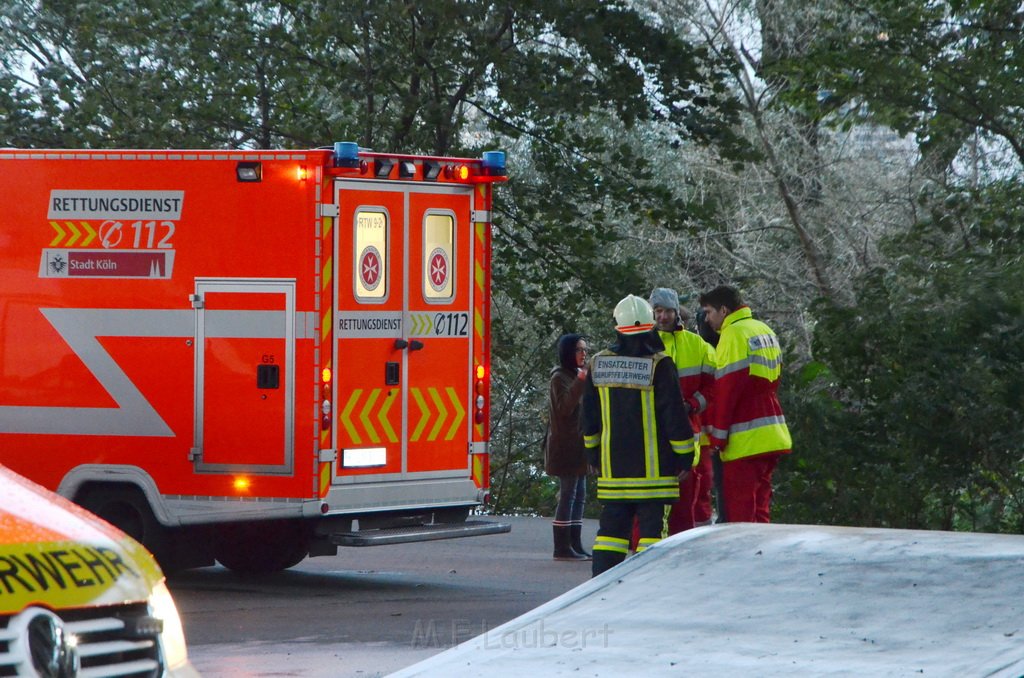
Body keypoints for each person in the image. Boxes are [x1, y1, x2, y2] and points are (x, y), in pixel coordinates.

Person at [581, 295, 694, 577]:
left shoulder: (598, 363)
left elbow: (589, 418)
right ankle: (647, 585)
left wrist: (593, 454)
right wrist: (684, 457)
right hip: (653, 473)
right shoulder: (660, 364)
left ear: (617, 328)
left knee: (611, 533)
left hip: (613, 470)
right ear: (650, 327)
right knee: (651, 534)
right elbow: (674, 417)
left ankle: (601, 585)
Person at [698, 285, 791, 523]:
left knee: (740, 517)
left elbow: (727, 391)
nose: (707, 319)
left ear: (724, 310)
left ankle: (744, 562)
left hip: (744, 442)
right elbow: (775, 379)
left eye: (709, 312)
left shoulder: (733, 335)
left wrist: (718, 439)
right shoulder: (763, 329)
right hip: (772, 434)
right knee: (761, 513)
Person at [648, 287, 717, 533]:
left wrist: (692, 405)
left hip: (688, 437)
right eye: (658, 310)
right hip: (650, 437)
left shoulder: (697, 345)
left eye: (667, 311)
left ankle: (686, 553)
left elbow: (713, 387)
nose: (663, 316)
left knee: (685, 505)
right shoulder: (642, 344)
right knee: (648, 509)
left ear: (677, 312)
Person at [544, 333, 591, 561]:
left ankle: (575, 543)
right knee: (568, 494)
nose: (584, 354)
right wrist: (581, 381)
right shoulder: (559, 377)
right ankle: (561, 546)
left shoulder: (575, 375)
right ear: (568, 353)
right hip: (565, 447)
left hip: (580, 446)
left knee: (580, 494)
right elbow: (564, 408)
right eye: (579, 350)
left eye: (585, 350)